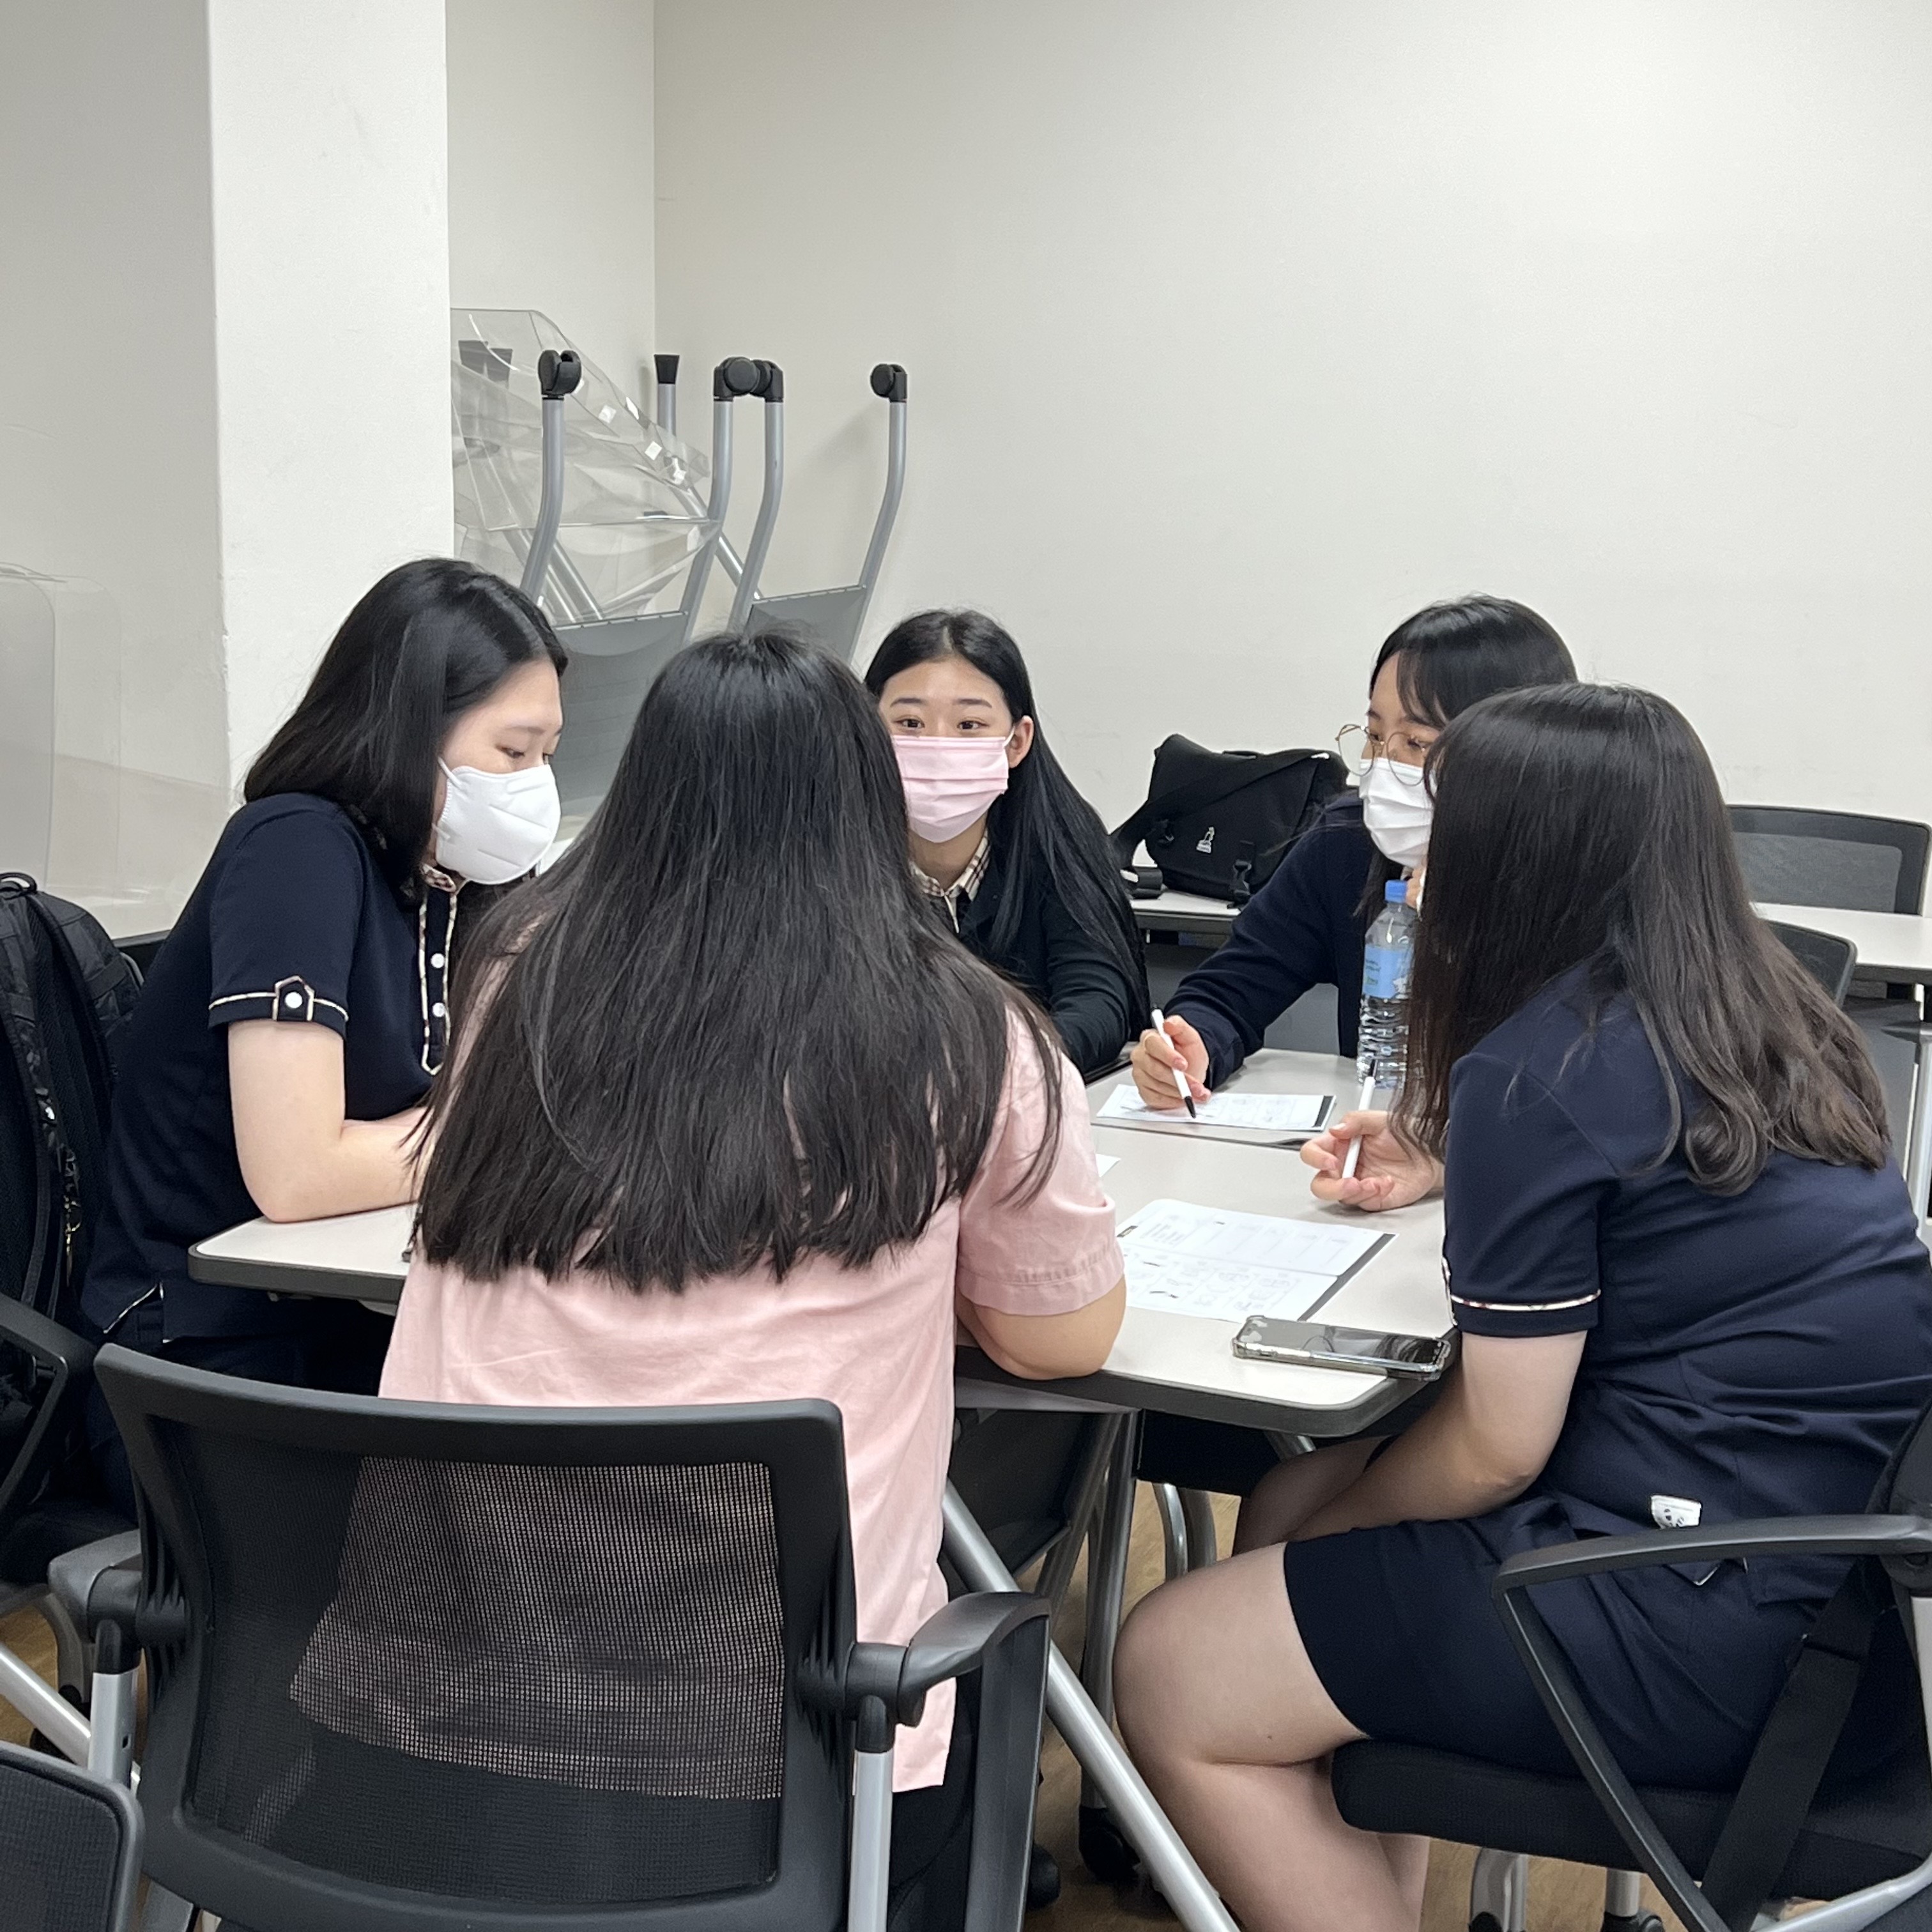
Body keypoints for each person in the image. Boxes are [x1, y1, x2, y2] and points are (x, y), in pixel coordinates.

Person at [1112, 683, 1932, 1932]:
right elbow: (1660, 1202)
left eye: (1446, 820)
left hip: (1686, 1610)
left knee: (1170, 1663)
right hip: (1827, 1575)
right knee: (1285, 1503)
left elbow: (1497, 1449)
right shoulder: (1776, 1015)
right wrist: (1456, 1159)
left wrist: (1335, 1531)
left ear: (1516, 857)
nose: (1416, 856)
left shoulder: (1537, 1070)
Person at [374, 631, 1126, 1928]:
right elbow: (1061, 1337)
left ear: (641, 789)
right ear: (863, 799)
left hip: (430, 1746)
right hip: (785, 1772)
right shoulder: (970, 1032)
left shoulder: (512, 978)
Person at [82, 558, 565, 1512]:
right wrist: (491, 1141)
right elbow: (298, 1174)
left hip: (352, 1330)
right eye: (513, 752)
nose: (535, 786)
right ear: (410, 732)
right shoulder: (296, 847)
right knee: (520, 1523)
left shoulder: (455, 878)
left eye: (549, 753)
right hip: (201, 1360)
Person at [1130, 594, 1575, 1114]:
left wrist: (1461, 930)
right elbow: (1229, 988)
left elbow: (1584, 1079)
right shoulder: (1345, 843)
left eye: (1417, 743)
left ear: (1520, 756)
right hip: (1374, 1137)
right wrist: (1195, 1044)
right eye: (1376, 735)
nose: (1382, 766)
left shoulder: (1583, 874)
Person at [864, 608, 1148, 1078]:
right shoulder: (827, 853)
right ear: (865, 731)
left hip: (1024, 1095)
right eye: (910, 723)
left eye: (968, 726)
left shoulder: (1059, 841)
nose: (938, 746)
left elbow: (1097, 1002)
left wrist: (1008, 1073)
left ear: (1017, 742)